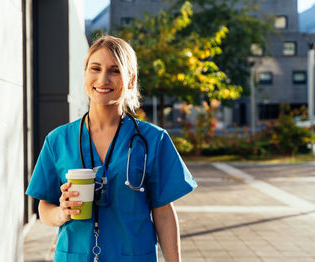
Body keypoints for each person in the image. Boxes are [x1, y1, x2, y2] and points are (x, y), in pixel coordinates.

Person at [26, 35, 197, 262]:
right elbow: (43, 207)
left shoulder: (154, 140)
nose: (103, 79)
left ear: (131, 80)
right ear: (86, 73)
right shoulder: (58, 140)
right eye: (95, 68)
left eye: (115, 71)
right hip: (75, 256)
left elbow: (164, 212)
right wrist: (61, 213)